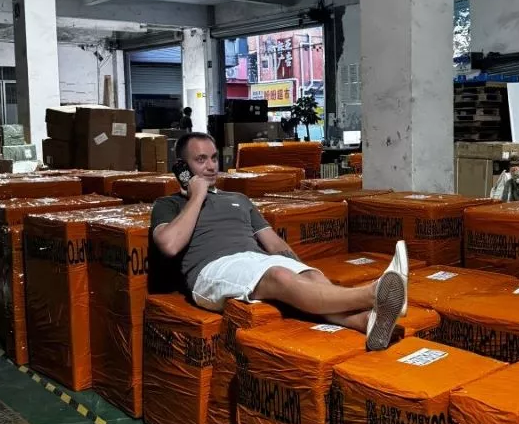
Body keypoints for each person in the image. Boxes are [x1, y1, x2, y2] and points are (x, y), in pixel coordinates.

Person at [151, 132, 408, 351]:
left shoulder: (238, 199)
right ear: (182, 167)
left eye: (214, 158)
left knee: (311, 276)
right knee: (278, 276)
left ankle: (365, 321)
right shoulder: (168, 204)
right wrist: (197, 195)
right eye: (200, 160)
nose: (210, 166)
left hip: (255, 260)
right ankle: (372, 294)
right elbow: (170, 245)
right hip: (212, 269)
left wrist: (302, 272)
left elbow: (275, 245)